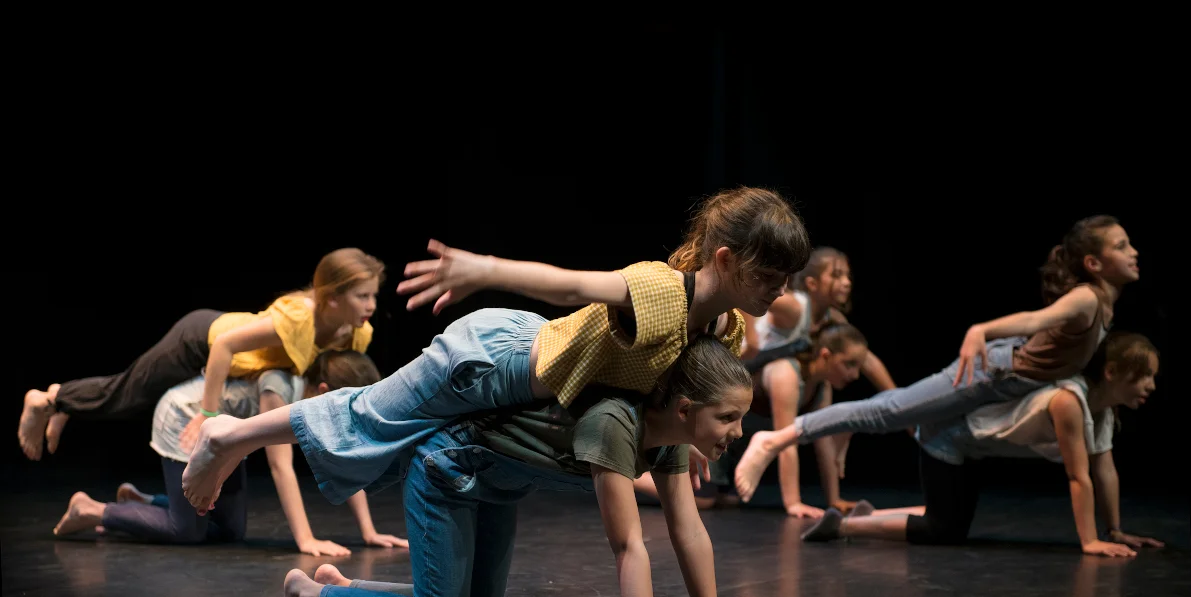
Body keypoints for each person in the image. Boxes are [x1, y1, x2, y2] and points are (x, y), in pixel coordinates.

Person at [187, 332, 786, 597]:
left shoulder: (671, 443)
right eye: (727, 417)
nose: (735, 431)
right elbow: (629, 544)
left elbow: (689, 531)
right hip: (448, 470)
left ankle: (338, 591)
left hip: (499, 487)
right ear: (683, 408)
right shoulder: (617, 424)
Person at [182, 187, 812, 510]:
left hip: (520, 380)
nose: (781, 293)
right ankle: (226, 438)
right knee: (369, 414)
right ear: (726, 260)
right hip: (490, 361)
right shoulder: (657, 289)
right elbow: (569, 285)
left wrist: (686, 440)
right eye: (770, 277)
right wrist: (481, 267)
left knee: (387, 432)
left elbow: (663, 390)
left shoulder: (724, 330)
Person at [734, 215, 1141, 502]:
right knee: (888, 413)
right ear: (1093, 263)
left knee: (893, 409)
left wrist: (899, 399)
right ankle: (774, 439)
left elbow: (872, 363)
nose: (1134, 252)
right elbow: (1036, 319)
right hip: (990, 374)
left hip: (1003, 378)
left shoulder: (1102, 303)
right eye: (1121, 245)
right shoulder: (1088, 297)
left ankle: (840, 431)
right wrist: (980, 330)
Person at [800, 332, 1164, 558]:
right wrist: (1089, 543)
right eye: (1145, 376)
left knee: (950, 526)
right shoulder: (1069, 401)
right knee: (943, 530)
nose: (1150, 386)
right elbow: (1078, 477)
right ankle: (844, 527)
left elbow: (1104, 468)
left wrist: (1114, 531)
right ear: (1113, 372)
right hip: (948, 438)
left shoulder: (1102, 411)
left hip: (971, 447)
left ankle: (862, 515)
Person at [18, 248, 382, 461]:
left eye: (373, 296)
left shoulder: (355, 332)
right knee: (125, 397)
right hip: (198, 340)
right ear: (332, 297)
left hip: (223, 358)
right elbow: (224, 346)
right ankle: (47, 399)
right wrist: (207, 413)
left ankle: (63, 400)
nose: (371, 305)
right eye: (362, 296)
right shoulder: (299, 318)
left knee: (120, 389)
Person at [52, 351, 406, 555]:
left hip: (224, 438)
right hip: (186, 420)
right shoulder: (280, 389)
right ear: (326, 390)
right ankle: (94, 510)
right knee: (187, 531)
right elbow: (280, 467)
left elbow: (347, 453)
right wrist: (306, 539)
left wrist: (368, 531)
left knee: (228, 529)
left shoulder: (311, 397)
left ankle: (143, 502)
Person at [634, 322, 876, 517]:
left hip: (735, 441)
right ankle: (630, 474)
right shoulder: (787, 374)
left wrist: (833, 500)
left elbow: (823, 442)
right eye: (849, 365)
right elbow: (785, 442)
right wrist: (793, 504)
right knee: (703, 499)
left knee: (724, 499)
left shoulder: (823, 387)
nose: (854, 375)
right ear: (825, 355)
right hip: (716, 431)